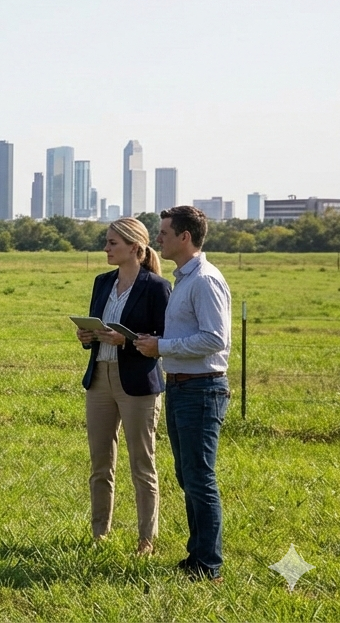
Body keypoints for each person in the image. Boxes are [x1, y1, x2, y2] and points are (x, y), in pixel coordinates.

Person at [134, 206, 231, 582]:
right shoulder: (185, 280)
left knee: (199, 476)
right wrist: (158, 343)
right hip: (181, 385)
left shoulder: (204, 280)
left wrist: (161, 347)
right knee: (188, 474)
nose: (158, 239)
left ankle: (208, 565)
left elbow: (214, 338)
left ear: (184, 237)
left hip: (201, 388)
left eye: (164, 233)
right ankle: (198, 556)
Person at [76, 217, 171, 556]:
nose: (106, 248)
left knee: (142, 465)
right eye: (106, 241)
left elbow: (165, 339)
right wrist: (86, 336)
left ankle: (147, 540)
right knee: (100, 463)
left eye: (112, 243)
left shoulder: (157, 287)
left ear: (134, 247)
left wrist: (126, 341)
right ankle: (99, 534)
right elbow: (94, 330)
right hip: (99, 378)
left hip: (138, 383)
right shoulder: (102, 282)